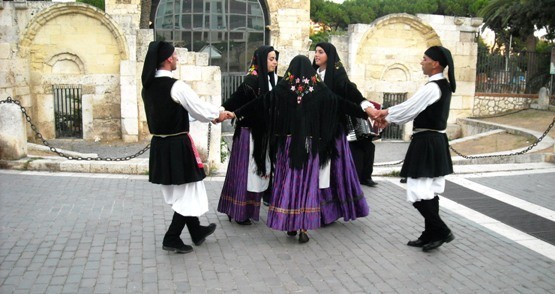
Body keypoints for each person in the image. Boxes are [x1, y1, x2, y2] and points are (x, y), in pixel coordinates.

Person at [224, 55, 371, 243]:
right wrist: (367, 112)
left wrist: (235, 112)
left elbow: (259, 103)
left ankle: (289, 224)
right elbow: (342, 104)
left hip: (287, 146)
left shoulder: (284, 89)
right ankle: (304, 226)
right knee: (308, 185)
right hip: (311, 146)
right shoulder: (319, 90)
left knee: (287, 182)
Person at [141, 41, 229, 254]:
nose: (177, 59)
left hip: (161, 145)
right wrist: (218, 114)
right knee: (188, 192)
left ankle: (196, 231)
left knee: (185, 189)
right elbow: (198, 108)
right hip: (177, 146)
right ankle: (171, 237)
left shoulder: (148, 87)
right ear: (168, 59)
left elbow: (182, 112)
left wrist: (211, 117)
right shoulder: (176, 86)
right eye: (175, 55)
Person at [373, 45, 456, 252]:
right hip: (433, 141)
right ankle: (431, 233)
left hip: (427, 141)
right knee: (428, 190)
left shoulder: (433, 87)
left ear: (435, 63)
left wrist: (385, 114)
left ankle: (442, 231)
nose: (422, 62)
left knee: (418, 190)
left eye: (424, 58)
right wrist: (389, 118)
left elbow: (410, 107)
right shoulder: (440, 85)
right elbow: (412, 109)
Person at [217, 45, 279, 225]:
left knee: (255, 174)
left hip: (261, 135)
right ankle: (237, 210)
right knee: (245, 173)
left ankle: (247, 209)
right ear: (261, 60)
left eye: (275, 59)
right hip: (248, 134)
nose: (274, 62)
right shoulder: (252, 81)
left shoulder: (270, 81)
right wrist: (221, 113)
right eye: (271, 59)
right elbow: (233, 101)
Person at [312, 42, 372, 224]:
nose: (316, 55)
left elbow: (349, 91)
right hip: (316, 130)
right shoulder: (312, 75)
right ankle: (318, 209)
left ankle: (330, 211)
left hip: (333, 131)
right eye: (315, 52)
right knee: (318, 171)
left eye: (320, 52)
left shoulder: (337, 75)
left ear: (329, 55)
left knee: (332, 171)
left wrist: (365, 105)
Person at [347, 102, 380, 187]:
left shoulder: (367, 106)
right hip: (352, 138)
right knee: (356, 152)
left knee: (370, 148)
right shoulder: (348, 107)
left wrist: (378, 131)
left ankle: (367, 178)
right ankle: (356, 178)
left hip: (366, 138)